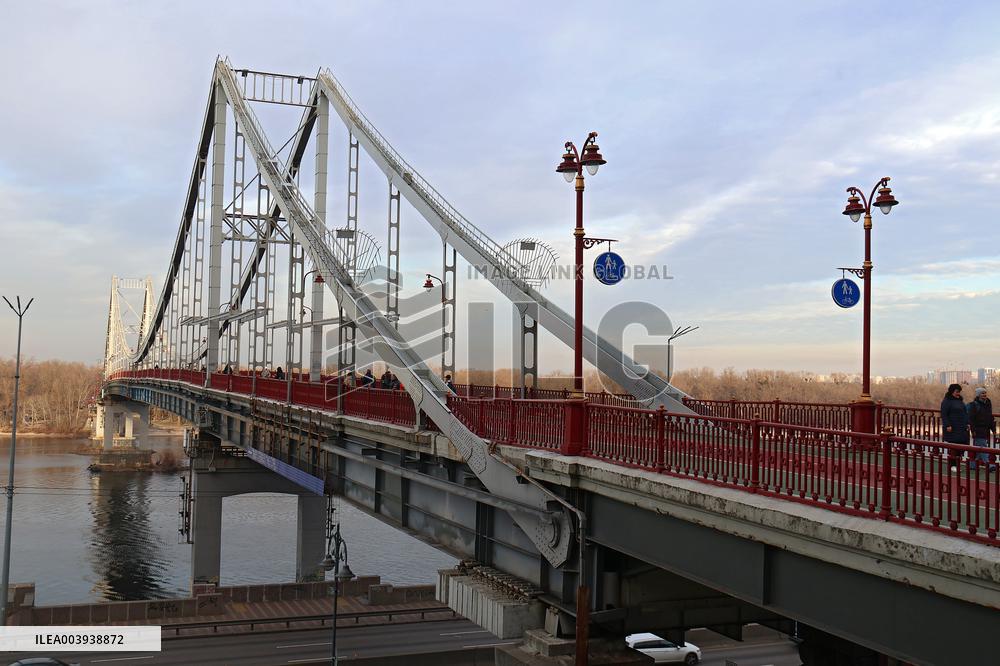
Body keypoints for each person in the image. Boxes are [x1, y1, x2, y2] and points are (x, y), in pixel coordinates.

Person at [941, 383, 969, 470]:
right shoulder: (946, 401)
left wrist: (967, 423)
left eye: (959, 392)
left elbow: (965, 413)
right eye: (957, 391)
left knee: (963, 445)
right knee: (954, 447)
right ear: (952, 391)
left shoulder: (960, 401)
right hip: (952, 428)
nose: (958, 393)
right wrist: (948, 425)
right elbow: (944, 414)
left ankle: (956, 463)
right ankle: (953, 465)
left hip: (962, 427)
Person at [967, 387, 997, 471]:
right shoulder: (974, 405)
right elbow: (971, 419)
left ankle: (972, 465)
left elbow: (990, 417)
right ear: (978, 395)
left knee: (978, 448)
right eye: (982, 393)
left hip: (986, 429)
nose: (984, 395)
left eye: (985, 393)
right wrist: (973, 431)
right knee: (983, 447)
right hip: (978, 429)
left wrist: (993, 429)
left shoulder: (988, 403)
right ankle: (989, 465)